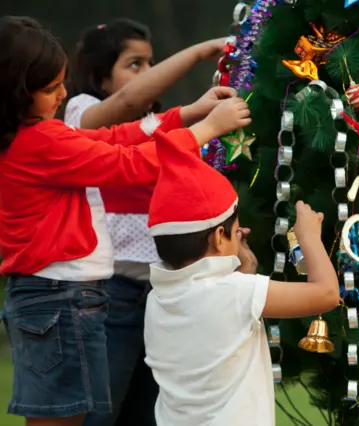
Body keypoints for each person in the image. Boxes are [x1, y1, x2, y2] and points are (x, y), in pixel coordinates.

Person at [0, 16, 250, 426]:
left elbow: (115, 137)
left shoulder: (38, 135)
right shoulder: (39, 141)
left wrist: (185, 113)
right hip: (60, 299)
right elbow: (127, 163)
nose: (63, 94)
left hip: (67, 298)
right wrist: (205, 129)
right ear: (15, 93)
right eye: (50, 88)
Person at [64, 18, 234, 426]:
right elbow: (123, 106)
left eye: (150, 63)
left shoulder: (160, 124)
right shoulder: (80, 113)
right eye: (135, 64)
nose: (148, 74)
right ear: (99, 73)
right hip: (109, 295)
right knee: (98, 415)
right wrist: (197, 53)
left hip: (164, 293)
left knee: (151, 415)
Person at [143, 127, 340, 426]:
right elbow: (326, 294)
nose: (241, 233)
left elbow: (221, 328)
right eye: (236, 229)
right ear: (219, 237)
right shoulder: (236, 293)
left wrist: (242, 269)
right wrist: (309, 236)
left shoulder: (156, 301)